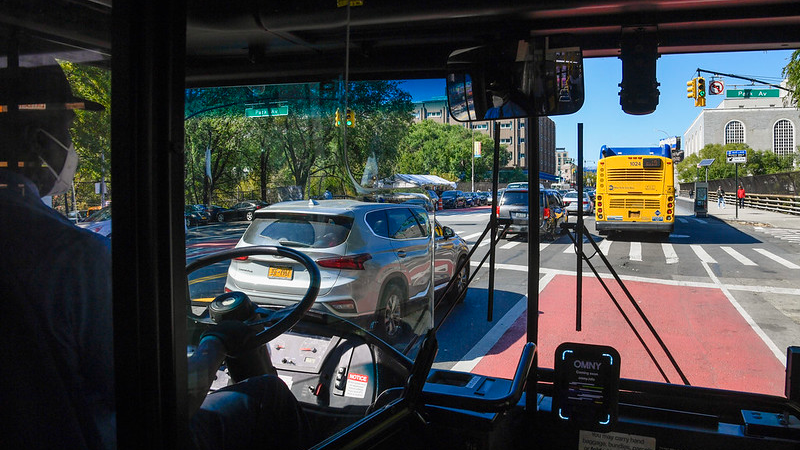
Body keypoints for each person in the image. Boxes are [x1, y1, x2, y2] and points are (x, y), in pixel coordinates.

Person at [1, 64, 310, 450]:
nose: (71, 145)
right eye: (68, 129)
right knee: (270, 396)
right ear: (36, 141)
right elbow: (162, 405)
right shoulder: (73, 258)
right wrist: (214, 342)